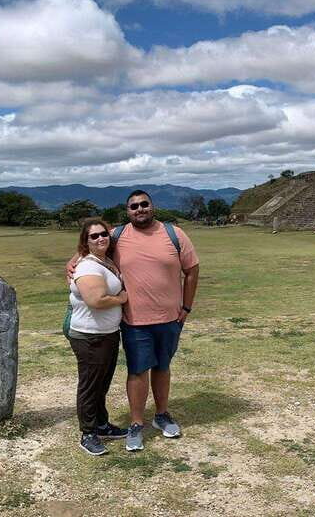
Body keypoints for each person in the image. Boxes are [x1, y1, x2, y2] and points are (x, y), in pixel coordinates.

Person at [67, 190, 200, 452]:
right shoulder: (117, 235)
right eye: (133, 206)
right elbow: (88, 250)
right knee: (138, 370)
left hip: (169, 317)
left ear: (152, 206)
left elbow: (192, 270)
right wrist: (71, 264)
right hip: (135, 319)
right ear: (127, 211)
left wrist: (186, 306)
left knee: (163, 366)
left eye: (144, 204)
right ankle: (137, 423)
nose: (139, 209)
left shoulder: (174, 234)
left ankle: (162, 414)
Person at [68, 218, 129, 456]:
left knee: (101, 384)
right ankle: (88, 433)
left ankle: (101, 424)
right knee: (90, 385)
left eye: (104, 234)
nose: (101, 238)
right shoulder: (87, 266)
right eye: (94, 236)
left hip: (107, 333)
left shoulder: (103, 261)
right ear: (86, 241)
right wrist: (122, 299)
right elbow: (96, 301)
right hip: (90, 335)